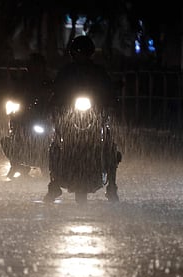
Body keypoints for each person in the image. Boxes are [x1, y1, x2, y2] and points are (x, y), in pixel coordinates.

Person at [43, 35, 121, 202]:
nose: (81, 55)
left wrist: (112, 101)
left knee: (110, 146)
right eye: (78, 52)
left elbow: (109, 90)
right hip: (69, 118)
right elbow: (56, 91)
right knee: (55, 145)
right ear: (73, 53)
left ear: (90, 53)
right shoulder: (66, 72)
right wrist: (53, 104)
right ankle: (54, 185)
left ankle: (112, 187)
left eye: (84, 52)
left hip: (95, 117)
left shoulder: (99, 73)